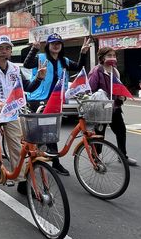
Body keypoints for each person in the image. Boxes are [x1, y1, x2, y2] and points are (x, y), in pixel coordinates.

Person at [0, 35, 47, 195]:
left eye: (7, 48)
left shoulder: (16, 69)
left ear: (11, 51)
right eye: (0, 48)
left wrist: (39, 78)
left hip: (10, 108)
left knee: (17, 145)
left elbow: (28, 87)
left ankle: (22, 180)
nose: (4, 51)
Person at [22, 32, 91, 176]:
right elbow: (27, 64)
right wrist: (34, 49)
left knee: (51, 131)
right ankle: (52, 160)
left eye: (58, 43)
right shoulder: (40, 58)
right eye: (53, 43)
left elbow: (78, 67)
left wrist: (83, 53)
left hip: (56, 99)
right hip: (38, 98)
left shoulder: (63, 61)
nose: (56, 45)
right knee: (48, 129)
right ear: (48, 45)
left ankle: (52, 159)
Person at [88, 47, 137, 166]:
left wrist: (122, 97)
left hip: (114, 108)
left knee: (121, 131)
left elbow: (119, 88)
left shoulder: (115, 71)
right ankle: (95, 158)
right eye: (109, 55)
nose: (112, 58)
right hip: (101, 109)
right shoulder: (96, 71)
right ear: (102, 57)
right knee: (99, 134)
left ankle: (122, 156)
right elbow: (90, 90)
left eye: (114, 55)